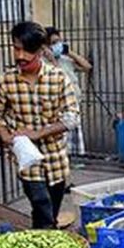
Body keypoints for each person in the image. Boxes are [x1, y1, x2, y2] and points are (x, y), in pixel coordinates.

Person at [0, 22, 80, 228]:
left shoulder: (58, 78)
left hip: (55, 158)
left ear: (40, 50)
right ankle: (47, 244)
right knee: (40, 202)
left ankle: (44, 238)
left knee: (50, 210)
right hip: (27, 160)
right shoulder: (5, 82)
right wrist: (5, 136)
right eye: (16, 48)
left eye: (26, 50)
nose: (20, 56)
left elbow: (72, 118)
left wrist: (37, 133)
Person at [44, 26, 92, 155]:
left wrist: (69, 52)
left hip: (73, 102)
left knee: (73, 131)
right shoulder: (44, 63)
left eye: (59, 41)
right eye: (54, 43)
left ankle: (74, 156)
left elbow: (87, 66)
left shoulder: (66, 60)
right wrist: (52, 59)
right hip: (57, 104)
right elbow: (56, 75)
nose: (58, 45)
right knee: (60, 133)